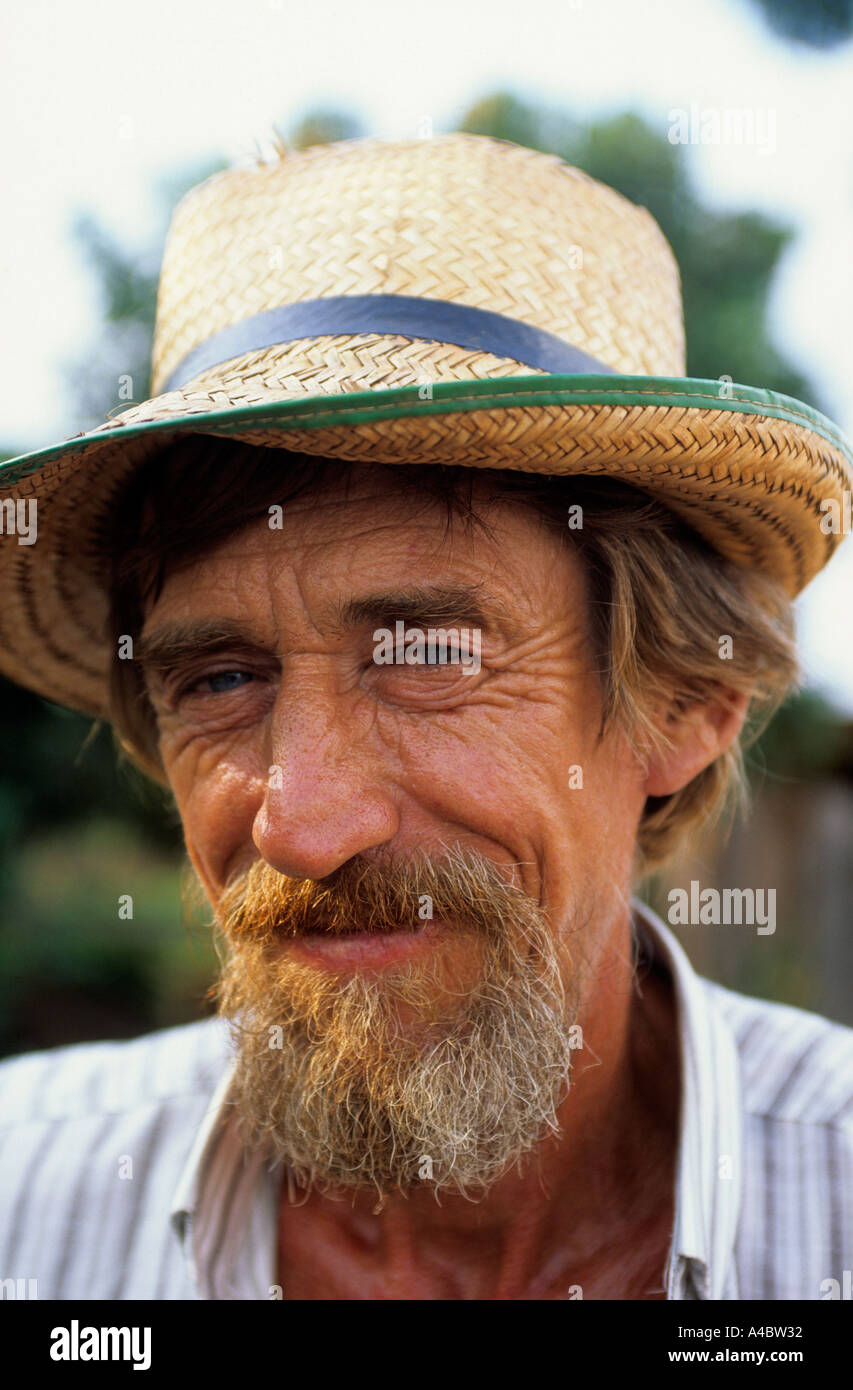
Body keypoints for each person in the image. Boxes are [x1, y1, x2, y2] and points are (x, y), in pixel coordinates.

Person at [0, 132, 850, 1302]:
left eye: (427, 655)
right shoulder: (22, 1195)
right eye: (222, 680)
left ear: (685, 704)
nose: (303, 826)